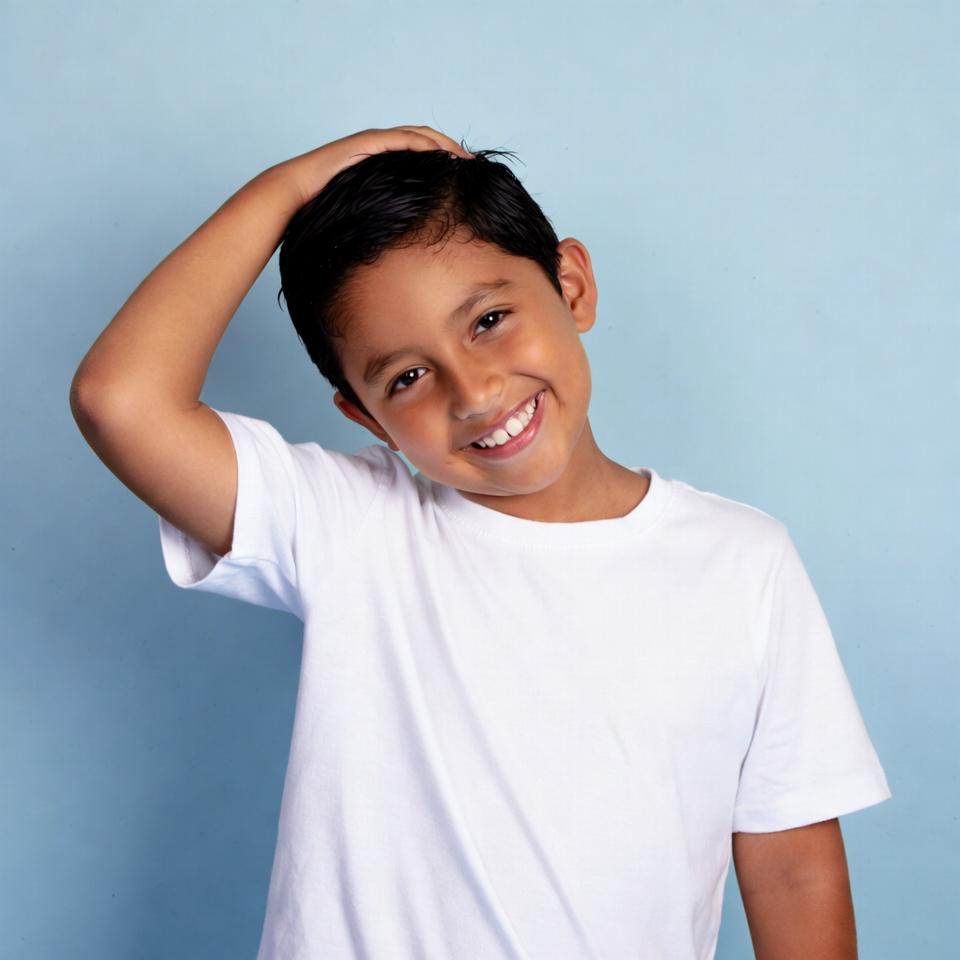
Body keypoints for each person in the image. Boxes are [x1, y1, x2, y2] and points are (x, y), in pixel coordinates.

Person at [71, 126, 890, 960]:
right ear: (365, 417)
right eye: (407, 378)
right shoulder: (350, 527)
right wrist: (286, 187)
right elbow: (120, 399)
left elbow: (791, 862)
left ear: (572, 285)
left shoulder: (743, 562)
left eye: (490, 319)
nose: (475, 391)